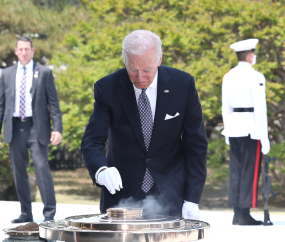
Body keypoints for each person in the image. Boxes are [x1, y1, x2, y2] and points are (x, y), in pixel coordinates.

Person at [81, 30, 207, 218]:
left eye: (147, 70)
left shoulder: (183, 84)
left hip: (171, 192)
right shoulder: (107, 88)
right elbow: (91, 141)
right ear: (125, 61)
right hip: (121, 194)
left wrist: (192, 199)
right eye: (133, 69)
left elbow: (195, 145)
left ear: (159, 60)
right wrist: (101, 170)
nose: (140, 78)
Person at [0, 36, 62, 223]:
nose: (24, 52)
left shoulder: (44, 72)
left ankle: (49, 214)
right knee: (19, 171)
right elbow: (1, 104)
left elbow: (53, 103)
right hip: (14, 127)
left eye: (27, 49)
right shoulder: (7, 73)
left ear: (32, 51)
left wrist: (57, 128)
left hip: (37, 127)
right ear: (16, 51)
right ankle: (26, 213)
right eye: (20, 49)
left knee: (42, 168)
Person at [222, 39, 270, 225]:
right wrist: (264, 137)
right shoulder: (256, 77)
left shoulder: (229, 76)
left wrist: (226, 130)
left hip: (233, 126)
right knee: (250, 171)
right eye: (254, 54)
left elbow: (225, 106)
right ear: (250, 55)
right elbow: (260, 109)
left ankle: (237, 213)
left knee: (236, 170)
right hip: (251, 127)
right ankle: (244, 214)